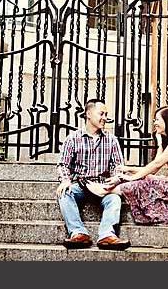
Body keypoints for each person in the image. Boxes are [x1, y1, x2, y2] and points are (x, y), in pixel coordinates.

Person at [87, 105, 168, 228]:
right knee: (148, 178)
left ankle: (105, 190)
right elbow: (155, 167)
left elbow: (156, 164)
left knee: (149, 180)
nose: (154, 123)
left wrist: (130, 178)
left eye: (157, 120)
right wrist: (129, 169)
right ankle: (106, 189)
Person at [56, 98, 131, 250]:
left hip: (103, 186)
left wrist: (115, 180)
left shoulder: (111, 140)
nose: (105, 118)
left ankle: (107, 236)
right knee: (64, 193)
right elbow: (63, 164)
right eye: (101, 114)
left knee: (115, 199)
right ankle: (78, 233)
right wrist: (65, 181)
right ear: (88, 114)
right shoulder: (73, 139)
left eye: (106, 114)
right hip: (81, 185)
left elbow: (118, 167)